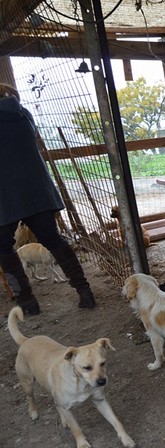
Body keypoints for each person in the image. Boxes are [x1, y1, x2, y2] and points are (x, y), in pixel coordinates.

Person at [0, 83, 95, 315]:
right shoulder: (25, 115)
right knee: (53, 239)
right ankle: (84, 291)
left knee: (3, 249)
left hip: (4, 196)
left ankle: (27, 303)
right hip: (37, 191)